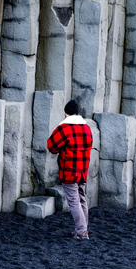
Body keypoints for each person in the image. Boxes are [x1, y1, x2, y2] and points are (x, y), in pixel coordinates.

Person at [47, 100, 93, 240]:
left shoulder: (64, 128)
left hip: (69, 170)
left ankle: (81, 231)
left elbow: (51, 146)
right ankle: (84, 229)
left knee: (73, 201)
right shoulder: (87, 128)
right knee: (82, 199)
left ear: (66, 113)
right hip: (83, 170)